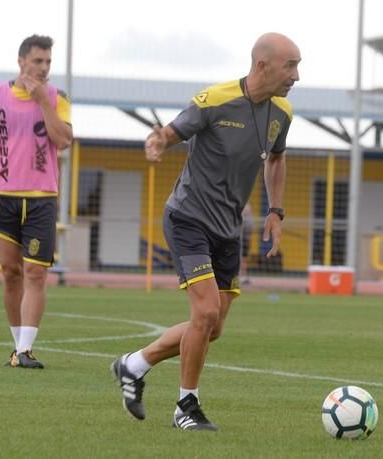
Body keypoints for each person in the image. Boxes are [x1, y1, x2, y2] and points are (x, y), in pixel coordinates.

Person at [111, 32, 300, 431]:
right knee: (206, 311)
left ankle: (134, 364)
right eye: (291, 65)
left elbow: (277, 160)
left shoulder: (282, 112)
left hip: (228, 229)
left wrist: (276, 211)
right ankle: (186, 406)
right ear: (262, 65)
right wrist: (157, 141)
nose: (296, 75)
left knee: (211, 328)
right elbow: (171, 131)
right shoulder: (215, 100)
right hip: (188, 218)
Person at [0, 34, 73, 369]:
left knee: (35, 273)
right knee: (10, 272)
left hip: (42, 199)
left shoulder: (58, 97)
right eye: (37, 61)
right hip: (3, 197)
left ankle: (26, 349)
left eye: (48, 62)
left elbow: (64, 141)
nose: (44, 68)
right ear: (21, 62)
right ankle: (18, 348)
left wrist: (43, 101)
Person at [240, 203, 255, 285]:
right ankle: (241, 276)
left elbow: (251, 225)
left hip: (245, 237)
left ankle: (243, 276)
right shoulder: (240, 204)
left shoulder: (247, 206)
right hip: (238, 236)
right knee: (241, 258)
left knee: (243, 258)